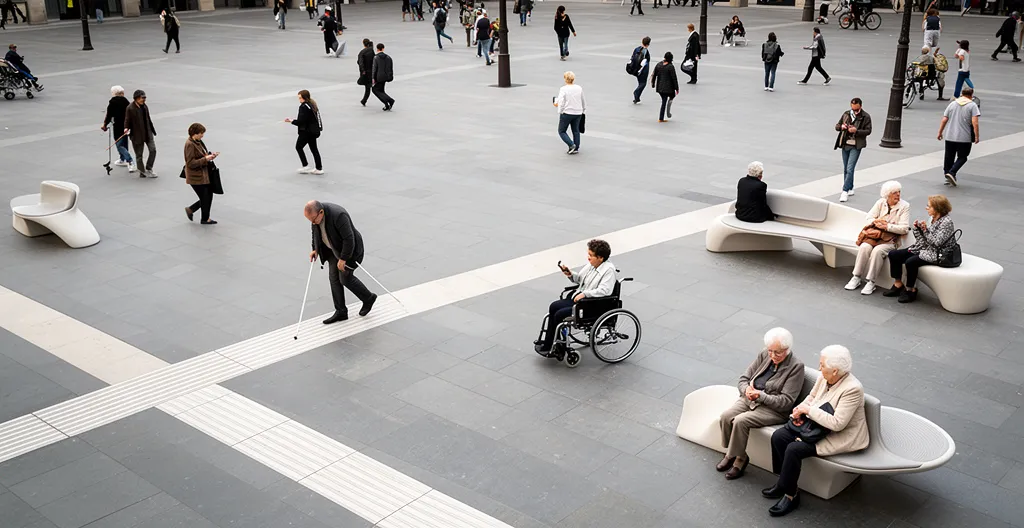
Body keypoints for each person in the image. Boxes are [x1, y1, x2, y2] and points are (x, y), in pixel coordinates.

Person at [764, 345, 868, 517]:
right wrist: (799, 410)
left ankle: (791, 495)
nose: (819, 368)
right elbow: (812, 397)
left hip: (837, 436)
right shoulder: (824, 377)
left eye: (822, 365)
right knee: (779, 436)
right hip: (815, 426)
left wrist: (808, 411)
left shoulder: (853, 389)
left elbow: (837, 424)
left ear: (835, 371)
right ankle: (784, 483)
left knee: (794, 449)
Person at [718, 328, 805, 481]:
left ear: (787, 349)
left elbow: (786, 402)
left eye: (777, 352)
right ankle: (735, 453)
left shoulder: (796, 367)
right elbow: (743, 379)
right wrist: (746, 390)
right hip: (750, 399)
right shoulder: (764, 354)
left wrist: (761, 396)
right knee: (725, 417)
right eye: (770, 351)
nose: (772, 356)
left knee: (740, 421)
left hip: (773, 409)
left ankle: (739, 460)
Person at [304, 200, 378, 325]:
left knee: (345, 279)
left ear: (321, 212)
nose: (313, 223)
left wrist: (343, 259)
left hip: (350, 251)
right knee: (334, 278)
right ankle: (341, 311)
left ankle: (368, 298)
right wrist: (315, 249)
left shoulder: (338, 215)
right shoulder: (315, 217)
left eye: (313, 220)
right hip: (333, 250)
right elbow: (315, 233)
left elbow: (349, 239)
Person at [534, 240, 615, 354]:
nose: (588, 258)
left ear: (600, 258)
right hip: (579, 300)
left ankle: (558, 345)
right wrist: (570, 274)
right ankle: (549, 341)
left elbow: (605, 291)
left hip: (591, 304)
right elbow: (580, 279)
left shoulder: (609, 270)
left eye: (591, 255)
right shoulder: (591, 265)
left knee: (559, 315)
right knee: (553, 306)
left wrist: (585, 294)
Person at [885, 195, 956, 303]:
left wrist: (925, 230)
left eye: (929, 206)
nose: (926, 208)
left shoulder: (946, 222)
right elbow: (922, 240)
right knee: (894, 254)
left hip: (938, 253)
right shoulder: (932, 218)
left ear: (937, 208)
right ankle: (898, 284)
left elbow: (937, 243)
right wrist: (918, 229)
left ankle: (910, 289)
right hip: (926, 248)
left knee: (911, 262)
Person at [844, 181, 910, 295]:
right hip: (875, 237)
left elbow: (904, 228)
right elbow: (869, 217)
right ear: (887, 194)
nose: (898, 194)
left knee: (877, 251)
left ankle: (871, 281)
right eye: (894, 192)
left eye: (899, 192)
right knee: (864, 247)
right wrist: (876, 222)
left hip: (891, 240)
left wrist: (887, 226)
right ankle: (856, 277)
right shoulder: (881, 202)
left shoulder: (904, 206)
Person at [938, 86, 980, 187]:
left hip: (950, 135)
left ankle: (947, 174)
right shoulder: (972, 105)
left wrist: (940, 132)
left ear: (962, 93)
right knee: (963, 157)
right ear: (971, 95)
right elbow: (975, 122)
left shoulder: (952, 104)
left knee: (949, 156)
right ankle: (952, 172)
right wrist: (977, 136)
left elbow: (944, 119)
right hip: (964, 137)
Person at [834, 98, 872, 203]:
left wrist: (856, 131)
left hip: (856, 145)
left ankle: (845, 191)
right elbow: (837, 126)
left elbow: (868, 131)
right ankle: (850, 187)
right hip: (845, 144)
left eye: (856, 109)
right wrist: (841, 127)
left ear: (860, 106)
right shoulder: (846, 114)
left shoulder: (865, 116)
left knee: (850, 168)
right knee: (846, 168)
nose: (854, 111)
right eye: (853, 109)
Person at [183, 123, 219, 225]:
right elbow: (190, 163)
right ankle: (203, 217)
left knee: (207, 195)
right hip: (195, 177)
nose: (202, 135)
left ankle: (196, 213)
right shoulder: (190, 144)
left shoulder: (198, 141)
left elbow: (201, 155)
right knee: (206, 197)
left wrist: (210, 156)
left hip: (202, 175)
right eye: (201, 133)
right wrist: (205, 159)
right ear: (194, 133)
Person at [284, 90, 324, 175]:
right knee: (314, 149)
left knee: (298, 147)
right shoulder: (312, 105)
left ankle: (305, 165)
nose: (299, 100)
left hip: (306, 131)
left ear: (304, 98)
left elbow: (301, 121)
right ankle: (319, 168)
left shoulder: (303, 107)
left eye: (300, 98)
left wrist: (291, 121)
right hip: (313, 131)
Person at [102, 86, 135, 174]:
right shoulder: (126, 102)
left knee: (119, 145)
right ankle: (122, 159)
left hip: (117, 126)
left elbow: (109, 115)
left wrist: (105, 125)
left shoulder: (112, 103)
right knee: (124, 142)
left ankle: (129, 160)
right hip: (126, 126)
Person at [125, 90, 158, 178]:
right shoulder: (130, 108)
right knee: (139, 155)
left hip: (148, 132)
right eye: (142, 98)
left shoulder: (145, 106)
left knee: (153, 150)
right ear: (136, 98)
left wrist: (152, 130)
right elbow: (127, 120)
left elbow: (148, 118)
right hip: (137, 135)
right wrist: (126, 128)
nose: (144, 99)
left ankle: (149, 168)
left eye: (144, 98)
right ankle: (142, 171)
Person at [553, 70, 585, 154]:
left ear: (565, 79)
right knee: (576, 130)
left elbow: (561, 101)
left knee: (561, 131)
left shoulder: (563, 89)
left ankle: (571, 144)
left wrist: (560, 110)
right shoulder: (579, 88)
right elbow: (582, 99)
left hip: (567, 113)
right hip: (578, 112)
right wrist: (583, 109)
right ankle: (576, 147)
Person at [651, 51, 678, 122]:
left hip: (659, 87)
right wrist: (676, 88)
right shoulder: (670, 67)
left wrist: (653, 83)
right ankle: (661, 117)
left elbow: (654, 75)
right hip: (668, 88)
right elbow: (674, 78)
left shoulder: (659, 65)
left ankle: (666, 114)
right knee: (664, 101)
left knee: (664, 100)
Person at [372, 43, 395, 111]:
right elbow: (390, 67)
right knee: (381, 91)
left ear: (377, 49)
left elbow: (374, 69)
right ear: (383, 48)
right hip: (386, 76)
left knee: (375, 90)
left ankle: (390, 100)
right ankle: (386, 105)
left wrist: (373, 78)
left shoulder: (376, 57)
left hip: (379, 77)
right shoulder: (388, 57)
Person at [630, 37, 652, 104]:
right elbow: (647, 61)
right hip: (642, 70)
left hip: (635, 69)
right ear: (648, 44)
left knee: (640, 83)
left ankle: (637, 98)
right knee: (643, 83)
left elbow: (632, 57)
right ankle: (636, 93)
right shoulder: (645, 52)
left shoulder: (637, 49)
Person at [357, 39, 375, 106]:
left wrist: (363, 70)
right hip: (371, 71)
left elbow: (360, 62)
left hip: (366, 72)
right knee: (368, 86)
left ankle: (364, 100)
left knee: (367, 86)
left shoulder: (362, 52)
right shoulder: (371, 50)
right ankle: (364, 100)